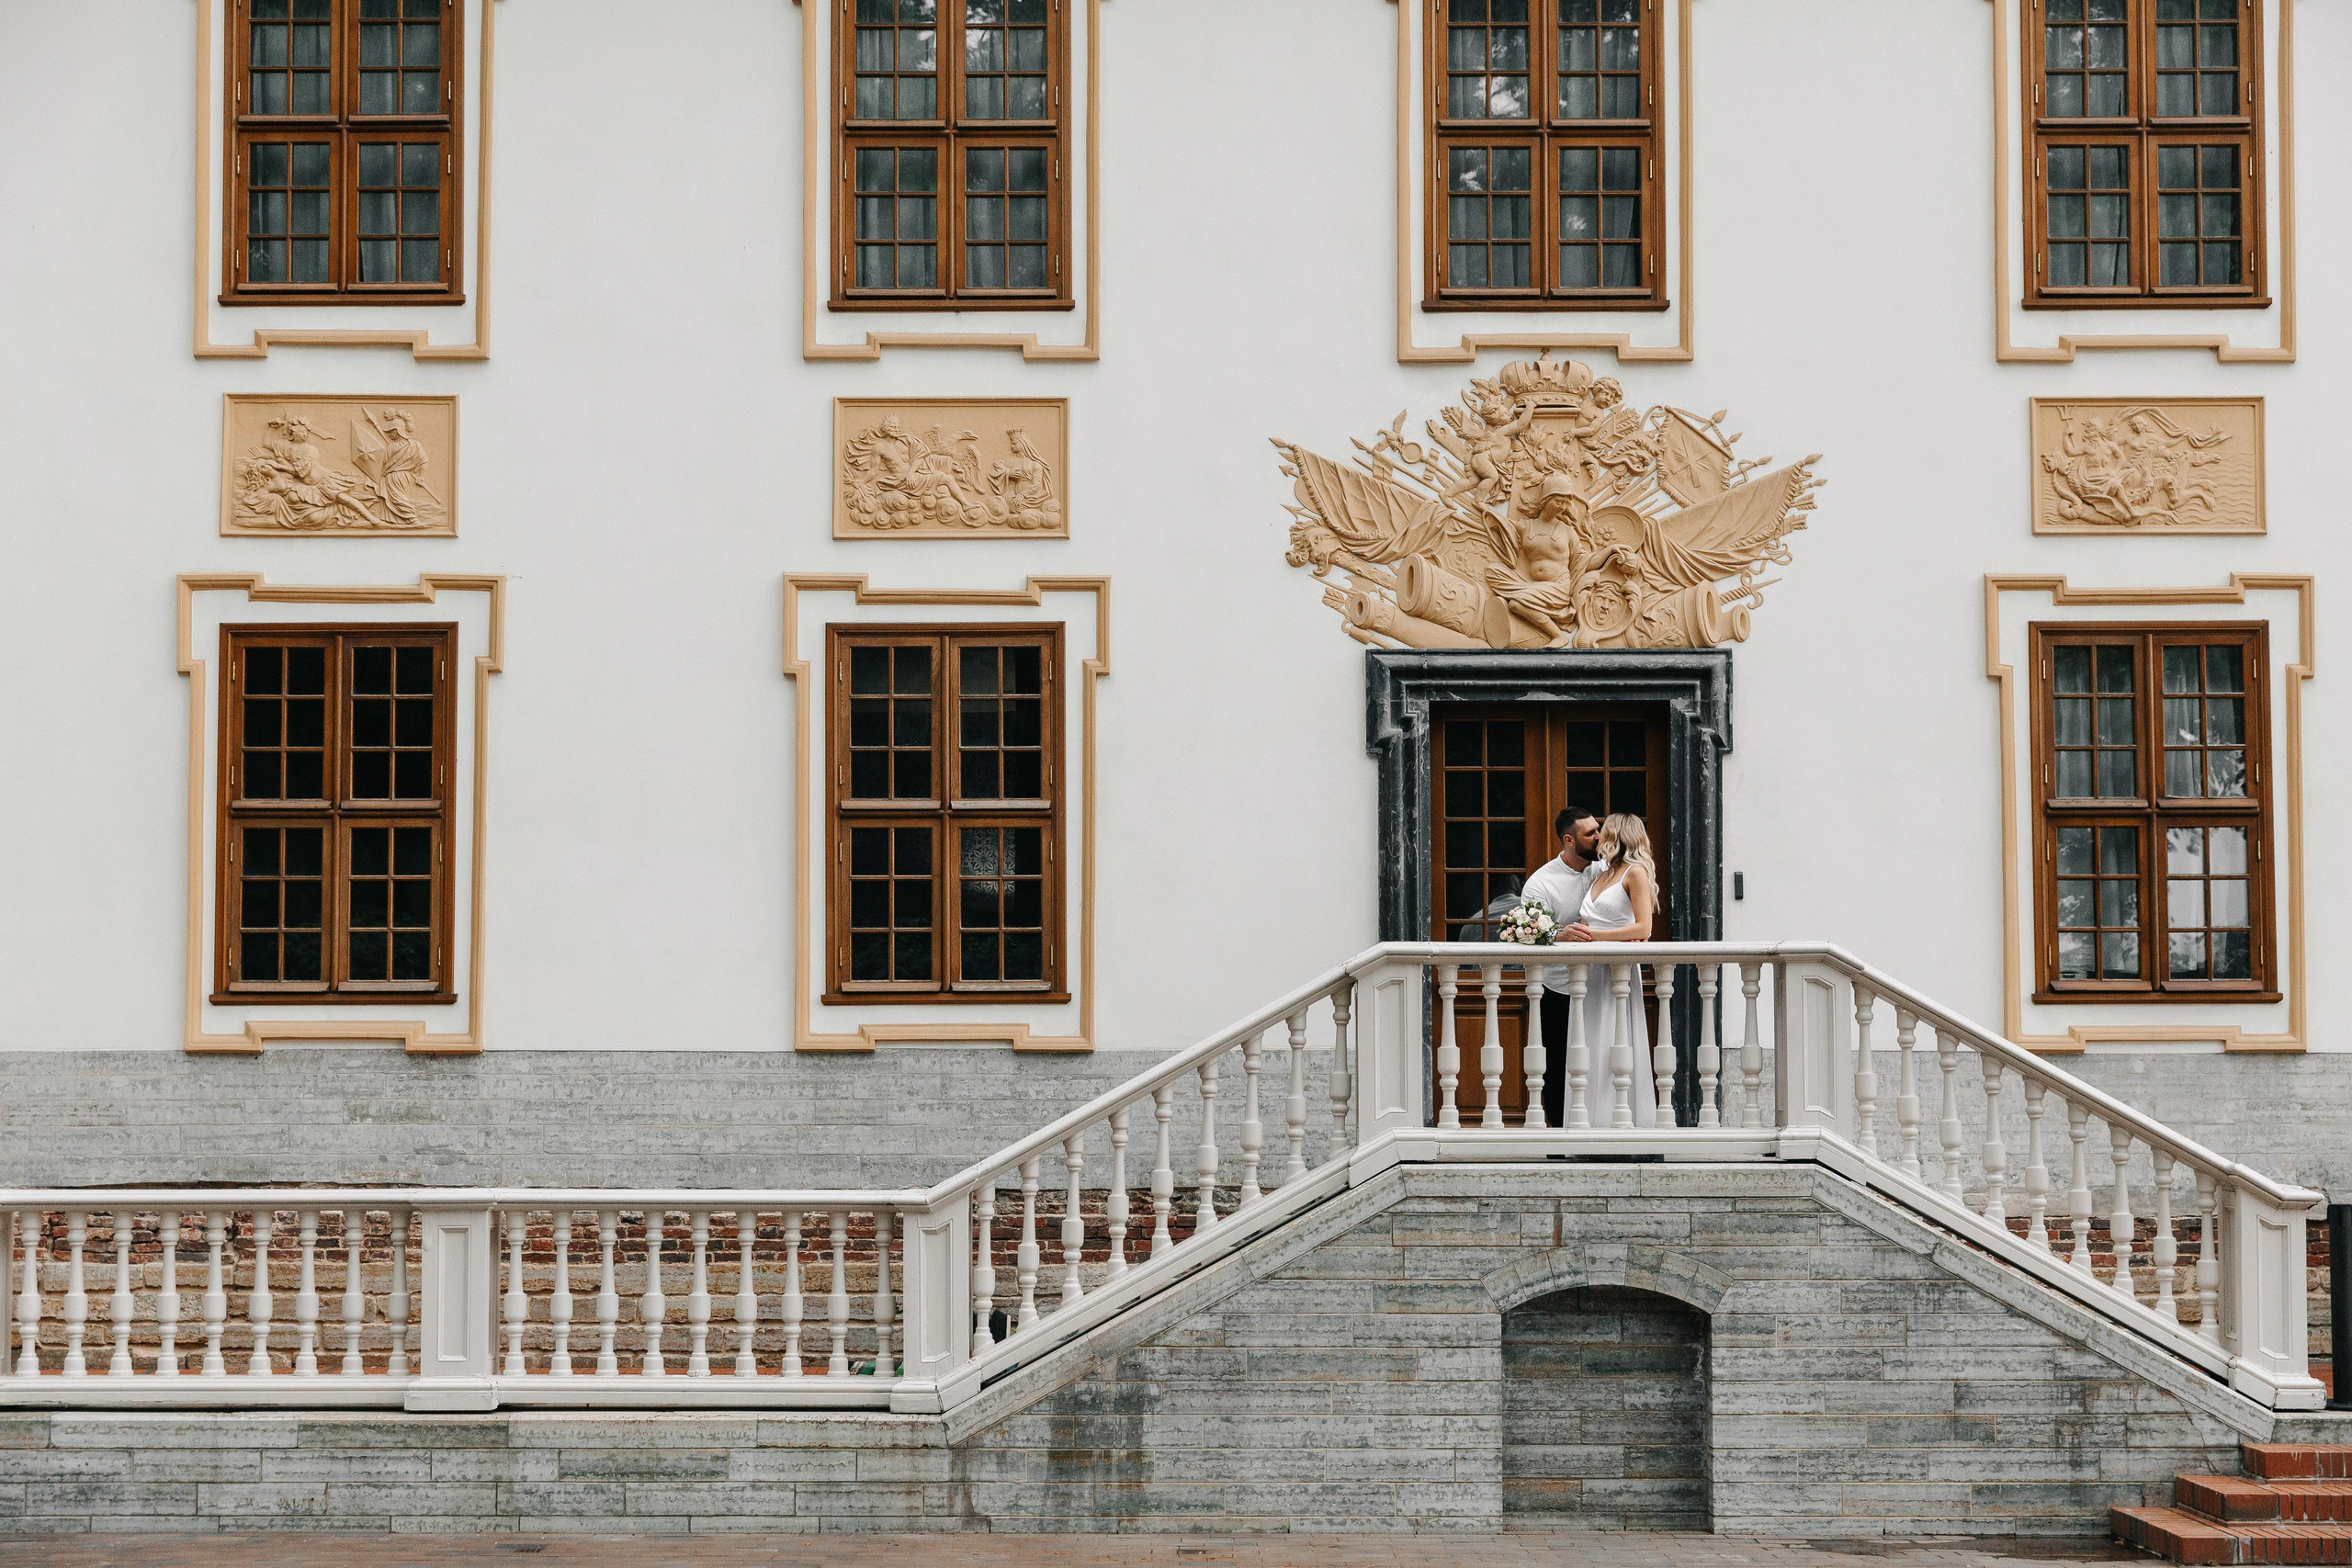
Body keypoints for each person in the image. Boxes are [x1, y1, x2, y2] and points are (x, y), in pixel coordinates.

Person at [1521, 806, 1601, 1130]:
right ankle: (1560, 1136)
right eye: (1591, 833)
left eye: (1599, 830)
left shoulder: (1607, 870)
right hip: (1557, 988)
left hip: (1604, 986)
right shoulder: (1541, 883)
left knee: (1602, 1060)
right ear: (1569, 840)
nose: (1599, 837)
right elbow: (1527, 932)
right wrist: (1557, 934)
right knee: (1556, 1065)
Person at [1578, 814, 1661, 1128]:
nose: (1597, 835)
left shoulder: (1635, 873)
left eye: (1603, 830)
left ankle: (1624, 1124)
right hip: (1589, 974)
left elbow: (1644, 927)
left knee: (1616, 1043)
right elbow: (1589, 920)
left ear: (1617, 834)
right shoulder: (1600, 874)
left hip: (1618, 972)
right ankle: (1588, 1124)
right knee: (1588, 1047)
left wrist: (1594, 937)